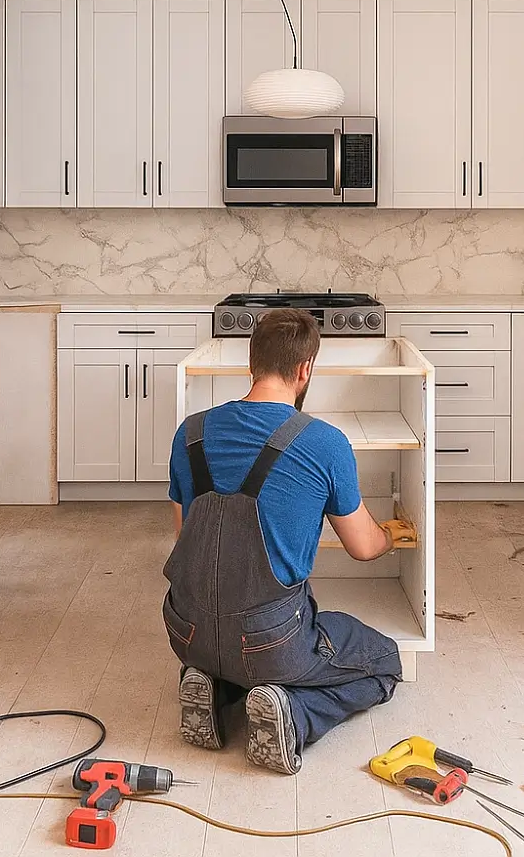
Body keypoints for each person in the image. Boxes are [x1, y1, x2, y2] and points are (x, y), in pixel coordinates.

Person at [162, 308, 407, 774]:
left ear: (251, 363)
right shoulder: (324, 443)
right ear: (305, 369)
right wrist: (391, 535)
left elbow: (186, 535)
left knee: (228, 647)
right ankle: (293, 714)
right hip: (271, 641)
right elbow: (363, 546)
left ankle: (213, 687)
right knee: (383, 660)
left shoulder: (189, 433)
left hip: (186, 630)